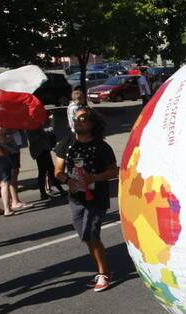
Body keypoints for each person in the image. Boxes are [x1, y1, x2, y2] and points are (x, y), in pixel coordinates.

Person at [54, 107, 119, 291]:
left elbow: (114, 170)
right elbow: (57, 171)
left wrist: (94, 178)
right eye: (75, 118)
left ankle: (104, 273)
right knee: (86, 236)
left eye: (82, 118)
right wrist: (68, 180)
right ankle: (103, 270)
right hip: (76, 199)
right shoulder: (66, 144)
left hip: (96, 198)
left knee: (91, 234)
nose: (78, 121)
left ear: (91, 123)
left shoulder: (102, 146)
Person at [26, 113, 64, 200]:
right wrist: (50, 126)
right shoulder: (34, 124)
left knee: (44, 171)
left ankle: (45, 192)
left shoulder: (30, 124)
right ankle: (57, 190)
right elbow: (42, 135)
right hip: (41, 150)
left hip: (39, 150)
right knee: (49, 170)